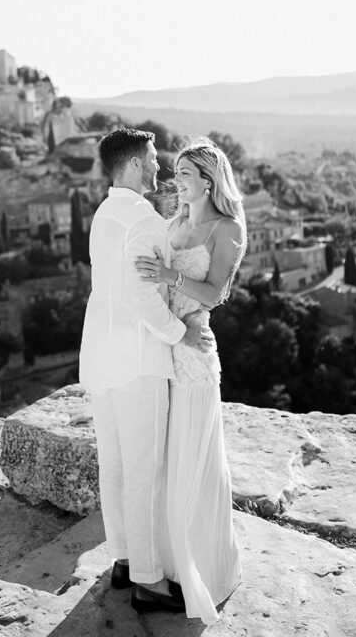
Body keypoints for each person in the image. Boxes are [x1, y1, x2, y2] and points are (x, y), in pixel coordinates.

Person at [79, 128, 213, 613]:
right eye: (154, 160)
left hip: (100, 355)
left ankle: (122, 558)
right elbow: (141, 294)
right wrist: (182, 335)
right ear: (135, 164)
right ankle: (149, 582)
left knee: (114, 466)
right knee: (142, 470)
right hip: (137, 359)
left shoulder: (103, 213)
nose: (159, 168)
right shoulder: (144, 218)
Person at [135, 136, 246, 624]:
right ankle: (167, 566)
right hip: (164, 347)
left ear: (206, 179)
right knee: (166, 456)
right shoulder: (176, 221)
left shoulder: (228, 227)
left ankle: (199, 569)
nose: (172, 180)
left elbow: (217, 292)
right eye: (174, 172)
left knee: (195, 458)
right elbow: (153, 276)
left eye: (182, 173)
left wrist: (170, 278)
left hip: (196, 354)